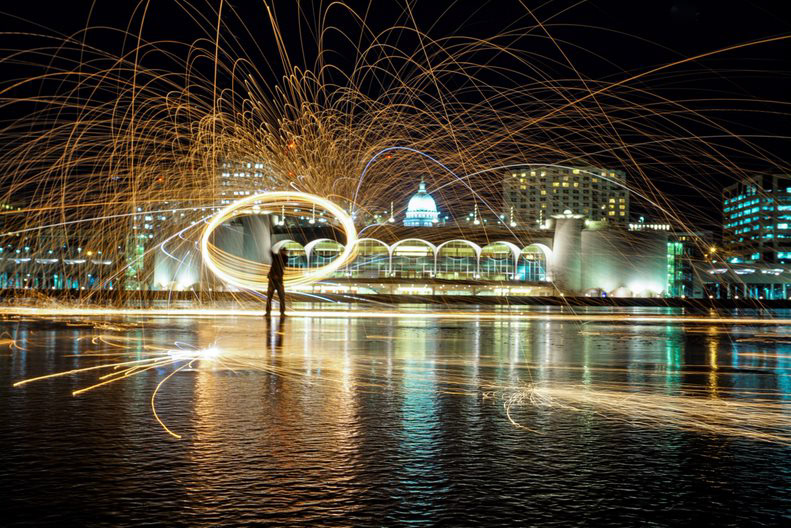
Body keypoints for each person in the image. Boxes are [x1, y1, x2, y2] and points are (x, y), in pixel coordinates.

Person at [265, 247, 286, 317]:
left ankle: (282, 312)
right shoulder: (276, 256)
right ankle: (268, 312)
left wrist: (277, 275)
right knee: (269, 297)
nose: (284, 253)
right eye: (282, 251)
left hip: (278, 280)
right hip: (272, 280)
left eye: (284, 252)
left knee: (281, 297)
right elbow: (271, 253)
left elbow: (281, 266)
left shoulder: (285, 258)